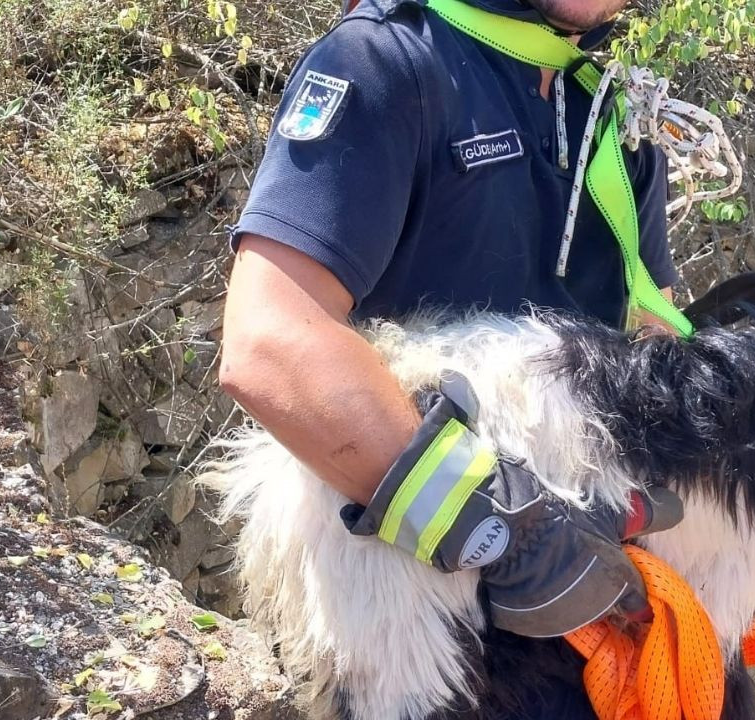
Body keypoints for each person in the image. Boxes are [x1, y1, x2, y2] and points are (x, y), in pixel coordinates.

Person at [219, 0, 687, 715]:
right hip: (420, 628)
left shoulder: (607, 106)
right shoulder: (384, 65)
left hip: (593, 601)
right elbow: (271, 340)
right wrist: (506, 533)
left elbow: (657, 337)